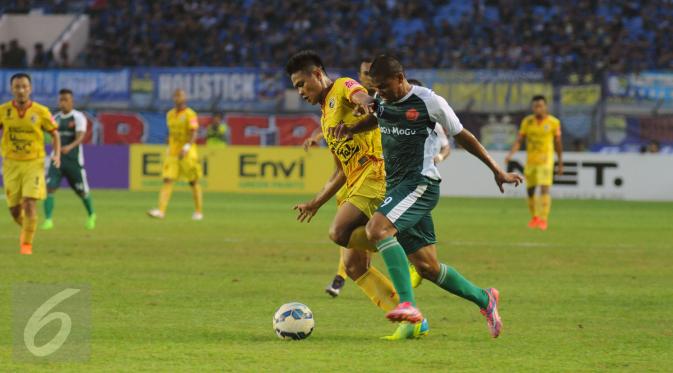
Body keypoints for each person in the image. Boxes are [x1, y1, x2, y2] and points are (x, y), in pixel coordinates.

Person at [333, 55, 523, 338]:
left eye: (383, 87)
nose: (379, 94)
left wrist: (497, 170)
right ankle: (486, 298)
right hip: (397, 187)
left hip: (420, 184)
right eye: (376, 88)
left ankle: (408, 306)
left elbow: (464, 136)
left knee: (377, 228)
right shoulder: (381, 99)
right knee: (428, 267)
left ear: (400, 78)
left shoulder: (429, 101)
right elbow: (376, 119)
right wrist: (351, 129)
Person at [286, 51, 426, 336]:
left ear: (317, 73)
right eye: (296, 88)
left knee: (338, 232)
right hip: (356, 180)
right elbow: (340, 171)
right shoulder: (326, 116)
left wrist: (368, 105)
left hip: (375, 173)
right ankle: (411, 321)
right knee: (353, 265)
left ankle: (408, 249)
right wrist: (315, 203)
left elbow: (362, 97)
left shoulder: (343, 87)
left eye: (302, 84)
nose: (300, 92)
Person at [0, 73, 61, 255]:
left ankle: (26, 245)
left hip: (34, 163)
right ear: (12, 89)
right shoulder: (3, 111)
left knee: (29, 202)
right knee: (14, 210)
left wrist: (56, 154)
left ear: (30, 89)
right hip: (11, 164)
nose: (21, 90)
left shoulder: (41, 111)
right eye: (17, 86)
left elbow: (55, 133)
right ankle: (27, 227)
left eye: (24, 86)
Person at [505, 95, 563, 231]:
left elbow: (558, 143)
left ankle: (543, 219)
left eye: (540, 106)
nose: (537, 108)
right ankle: (535, 217)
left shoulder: (554, 123)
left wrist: (560, 162)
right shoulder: (527, 122)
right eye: (535, 106)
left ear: (546, 107)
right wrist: (511, 153)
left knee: (544, 187)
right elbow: (519, 140)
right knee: (530, 190)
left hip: (546, 160)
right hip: (531, 161)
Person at [42, 89, 96, 230]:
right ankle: (48, 220)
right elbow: (52, 136)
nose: (63, 102)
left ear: (72, 101)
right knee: (49, 188)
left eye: (65, 99)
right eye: (61, 100)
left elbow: (81, 136)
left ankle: (91, 215)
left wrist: (69, 147)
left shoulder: (78, 117)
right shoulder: (56, 118)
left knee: (82, 191)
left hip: (73, 161)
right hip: (57, 159)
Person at [147, 89, 203, 220]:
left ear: (185, 98)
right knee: (167, 179)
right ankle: (161, 211)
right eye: (176, 95)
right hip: (173, 152)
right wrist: (168, 146)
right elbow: (171, 133)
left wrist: (187, 146)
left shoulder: (190, 114)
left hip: (188, 152)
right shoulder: (170, 114)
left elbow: (194, 132)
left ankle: (198, 211)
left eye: (180, 95)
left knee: (193, 181)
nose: (177, 98)